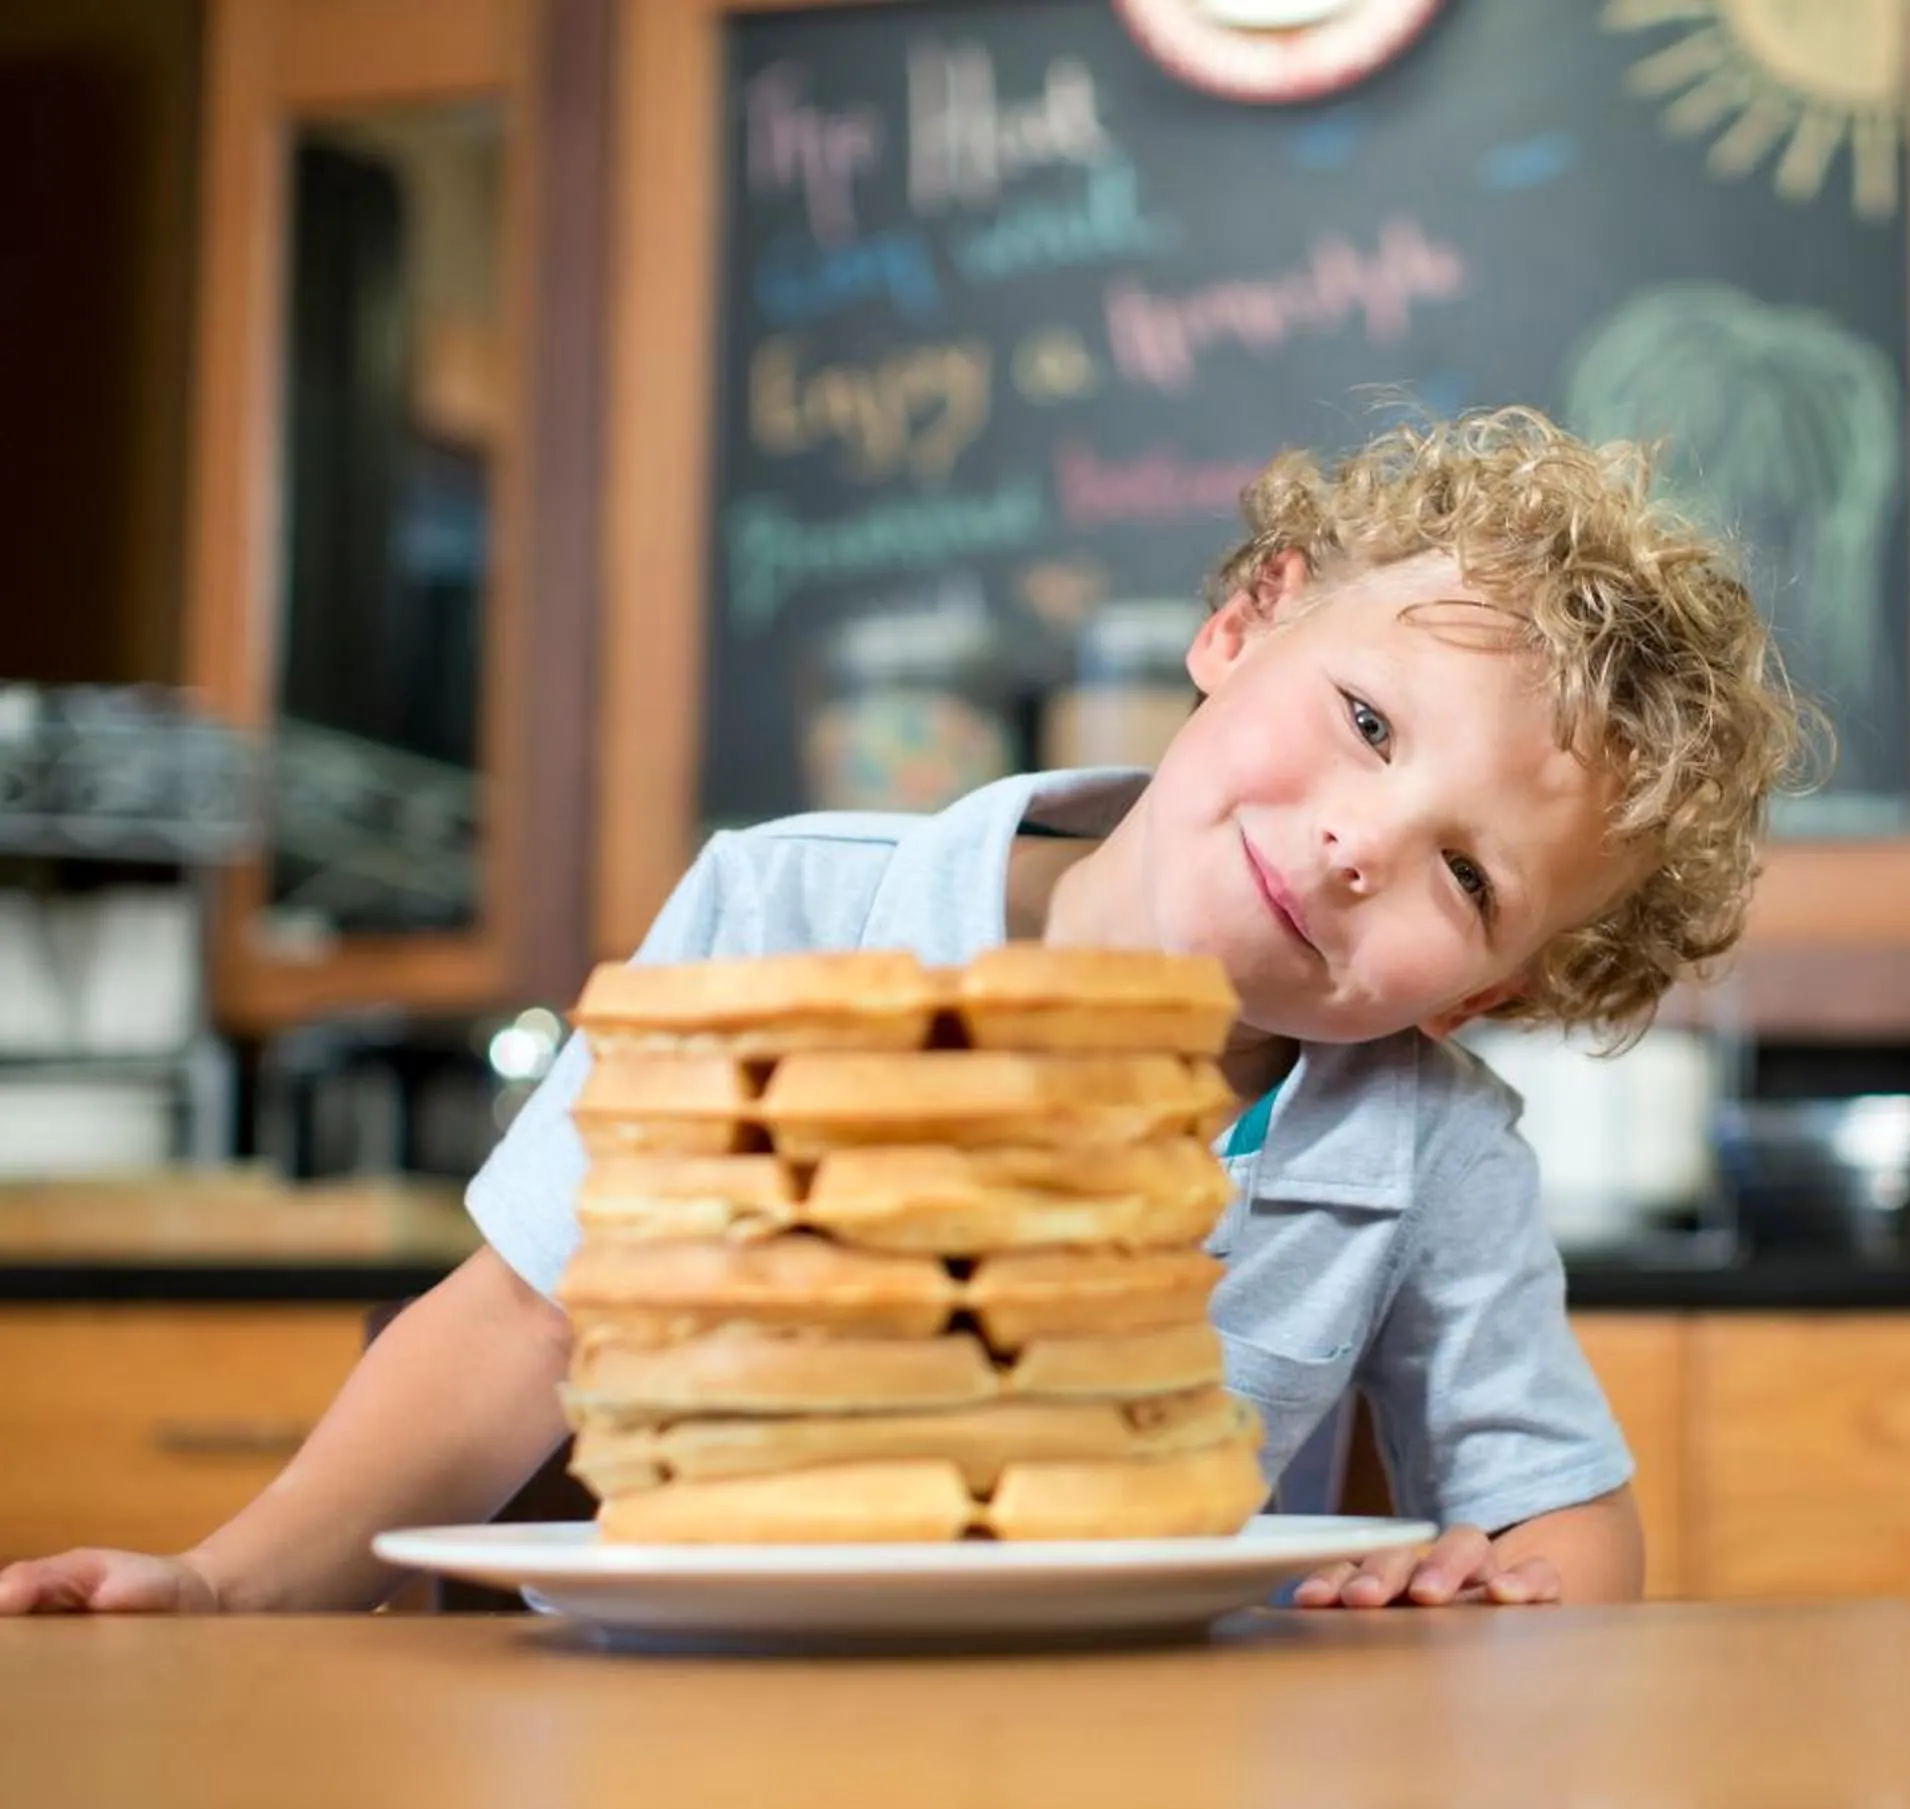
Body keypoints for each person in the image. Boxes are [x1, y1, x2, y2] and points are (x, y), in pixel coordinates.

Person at [0, 407, 1811, 1616]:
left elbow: (1561, 1510)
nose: (1357, 845)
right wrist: (225, 1590)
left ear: (1490, 991)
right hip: (678, 1747)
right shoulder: (790, 907)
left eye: (1467, 877)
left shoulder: (1426, 1150)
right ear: (1248, 623)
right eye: (1365, 723)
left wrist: (1501, 1589)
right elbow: (520, 1323)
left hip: (1155, 1798)